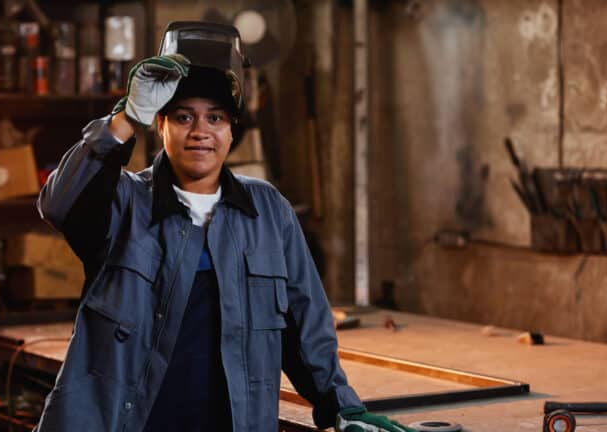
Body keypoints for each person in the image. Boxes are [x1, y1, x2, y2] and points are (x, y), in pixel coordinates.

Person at [35, 21, 414, 432]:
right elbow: (60, 203)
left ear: (232, 130)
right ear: (160, 125)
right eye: (183, 117)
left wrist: (344, 408)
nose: (200, 132)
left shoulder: (268, 211)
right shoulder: (124, 202)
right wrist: (126, 117)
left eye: (215, 118)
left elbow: (306, 328)